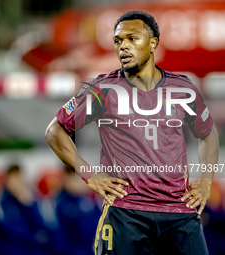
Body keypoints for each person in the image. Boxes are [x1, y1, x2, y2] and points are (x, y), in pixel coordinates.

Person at [45, 10, 219, 255]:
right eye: (118, 41)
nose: (123, 46)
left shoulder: (183, 88)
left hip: (179, 215)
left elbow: (209, 133)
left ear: (153, 43)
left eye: (132, 38)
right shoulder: (102, 89)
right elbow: (55, 130)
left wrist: (206, 183)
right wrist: (90, 175)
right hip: (126, 214)